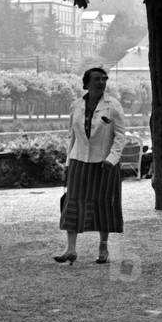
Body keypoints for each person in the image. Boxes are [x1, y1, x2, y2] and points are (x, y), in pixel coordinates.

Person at [55, 66, 126, 265]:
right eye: (97, 79)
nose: (101, 82)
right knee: (73, 202)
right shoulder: (76, 106)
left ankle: (103, 247)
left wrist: (112, 159)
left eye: (104, 78)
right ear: (86, 83)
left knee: (103, 203)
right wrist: (68, 162)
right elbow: (73, 136)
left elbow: (121, 136)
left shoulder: (113, 106)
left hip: (105, 164)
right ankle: (70, 248)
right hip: (79, 161)